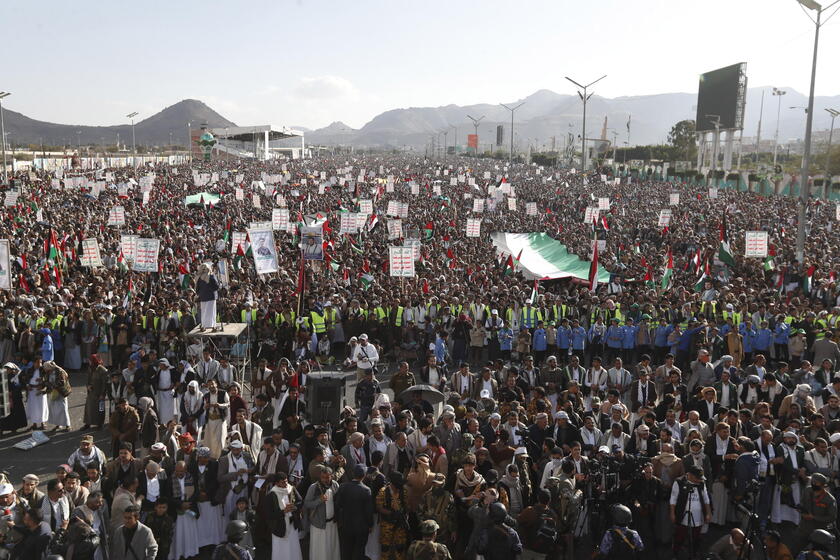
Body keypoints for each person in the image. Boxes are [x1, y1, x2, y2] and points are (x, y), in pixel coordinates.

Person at [669, 465, 711, 559]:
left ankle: (693, 554)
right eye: (697, 478)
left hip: (698, 516)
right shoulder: (679, 482)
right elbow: (673, 498)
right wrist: (672, 513)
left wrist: (708, 513)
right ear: (690, 475)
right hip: (683, 514)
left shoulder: (701, 483)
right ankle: (675, 553)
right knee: (680, 536)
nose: (699, 480)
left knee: (696, 537)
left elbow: (706, 498)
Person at [335, 464, 375, 560]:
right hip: (361, 528)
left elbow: (337, 505)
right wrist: (370, 525)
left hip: (346, 526)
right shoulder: (366, 490)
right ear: (364, 475)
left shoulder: (343, 487)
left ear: (353, 474)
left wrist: (339, 520)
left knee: (346, 551)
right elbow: (369, 511)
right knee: (359, 552)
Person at [304, 466, 340, 560]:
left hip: (332, 524)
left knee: (332, 548)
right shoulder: (313, 487)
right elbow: (307, 504)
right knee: (320, 551)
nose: (325, 480)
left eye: (327, 477)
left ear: (331, 476)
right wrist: (319, 500)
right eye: (323, 477)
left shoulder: (335, 485)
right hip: (319, 526)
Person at [267, 472, 302, 560]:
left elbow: (300, 501)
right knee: (281, 551)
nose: (286, 484)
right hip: (280, 528)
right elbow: (270, 515)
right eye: (283, 482)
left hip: (292, 525)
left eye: (286, 481)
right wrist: (283, 511)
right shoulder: (272, 495)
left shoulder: (291, 489)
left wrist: (295, 507)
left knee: (293, 548)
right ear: (277, 483)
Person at [196, 263, 220, 332]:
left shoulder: (199, 277)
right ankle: (213, 327)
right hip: (211, 297)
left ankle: (203, 327)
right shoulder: (211, 276)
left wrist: (201, 294)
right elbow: (216, 286)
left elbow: (197, 289)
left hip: (203, 297)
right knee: (212, 312)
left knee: (204, 312)